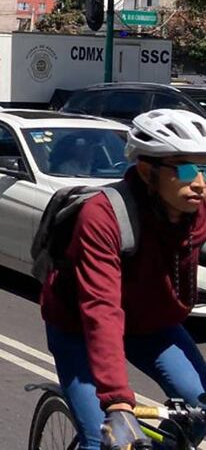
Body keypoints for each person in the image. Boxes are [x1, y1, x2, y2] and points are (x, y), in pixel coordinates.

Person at [40, 109, 206, 450]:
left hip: (153, 325)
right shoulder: (102, 215)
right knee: (104, 439)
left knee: (201, 408)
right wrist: (117, 403)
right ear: (147, 172)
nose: (200, 182)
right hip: (81, 329)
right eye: (187, 168)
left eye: (205, 168)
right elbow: (101, 310)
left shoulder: (198, 208)